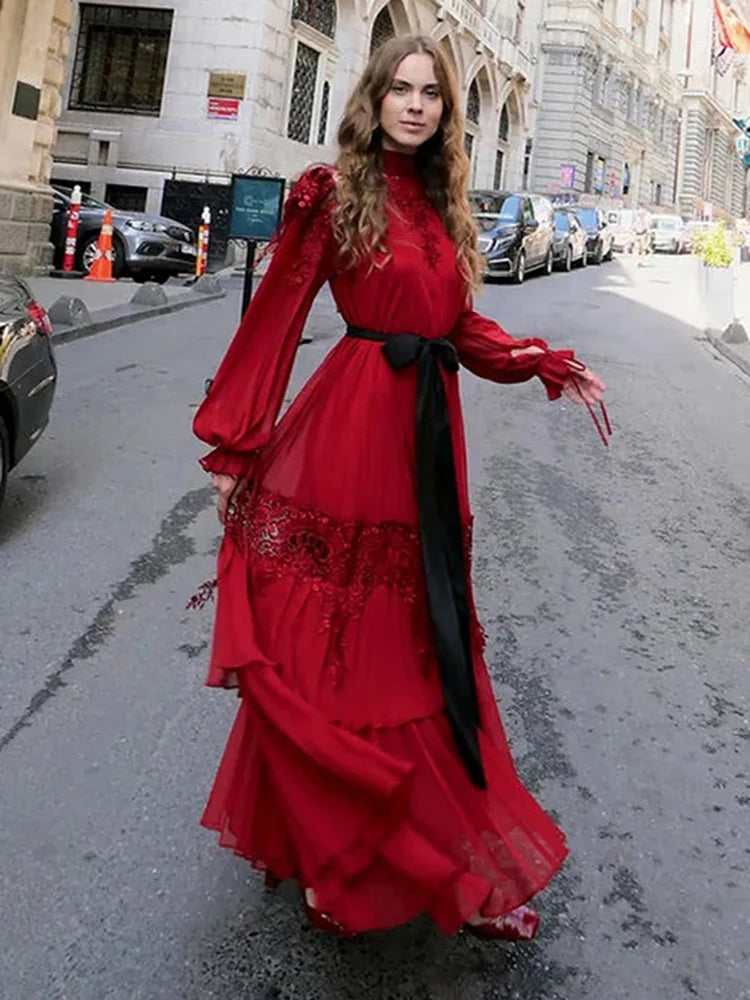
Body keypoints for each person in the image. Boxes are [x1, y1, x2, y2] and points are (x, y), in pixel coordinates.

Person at [192, 35, 609, 941]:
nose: (416, 105)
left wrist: (542, 361)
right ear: (375, 98)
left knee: (424, 645)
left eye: (431, 94)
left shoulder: (446, 206)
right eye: (401, 89)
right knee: (332, 646)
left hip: (427, 437)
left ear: (447, 114)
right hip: (348, 432)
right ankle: (327, 847)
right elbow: (277, 318)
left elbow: (459, 327)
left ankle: (450, 854)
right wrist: (233, 446)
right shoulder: (335, 194)